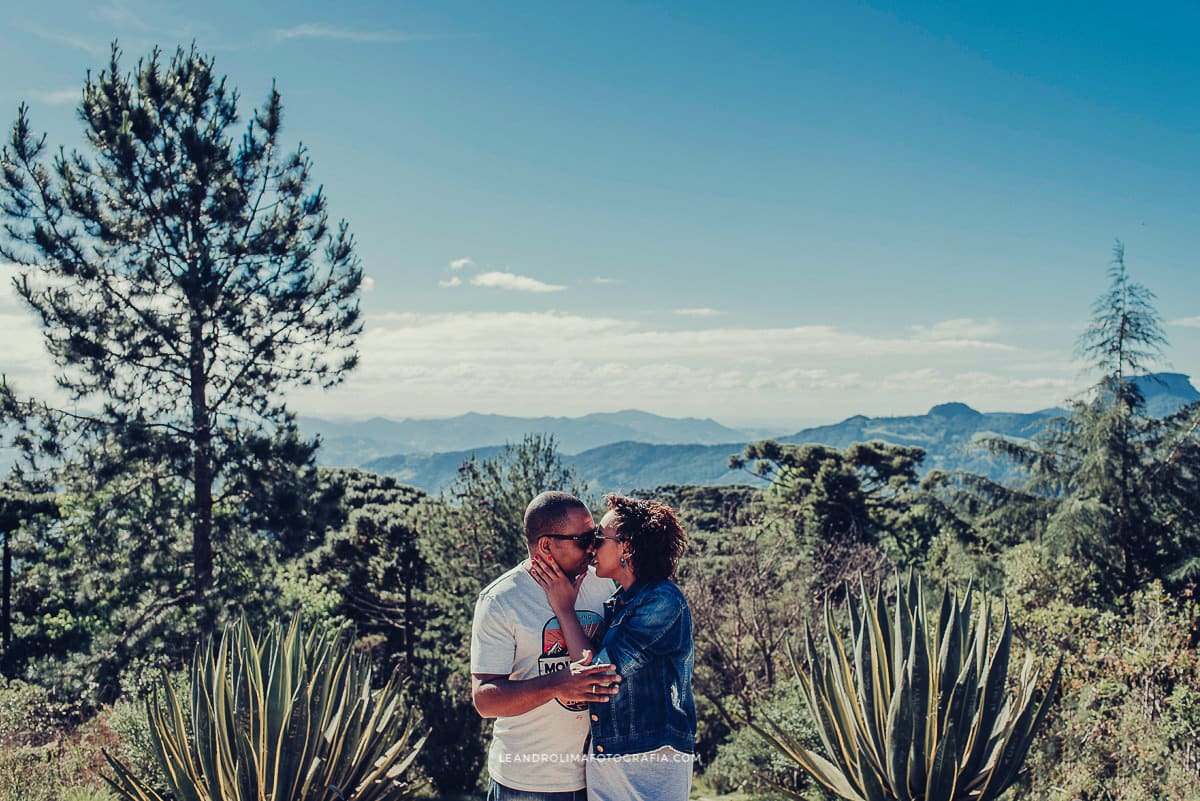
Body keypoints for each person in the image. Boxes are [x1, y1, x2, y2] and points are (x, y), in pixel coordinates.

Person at [529, 493, 695, 801]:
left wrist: (565, 609)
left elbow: (598, 676)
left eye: (599, 538)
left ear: (626, 547)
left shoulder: (663, 601)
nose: (591, 546)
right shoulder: (619, 602)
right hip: (610, 754)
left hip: (652, 757)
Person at [471, 491, 623, 801]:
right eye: (582, 539)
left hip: (598, 781)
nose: (593, 547)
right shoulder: (501, 600)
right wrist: (557, 684)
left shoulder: (603, 583)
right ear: (545, 545)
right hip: (526, 783)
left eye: (594, 536)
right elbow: (485, 700)